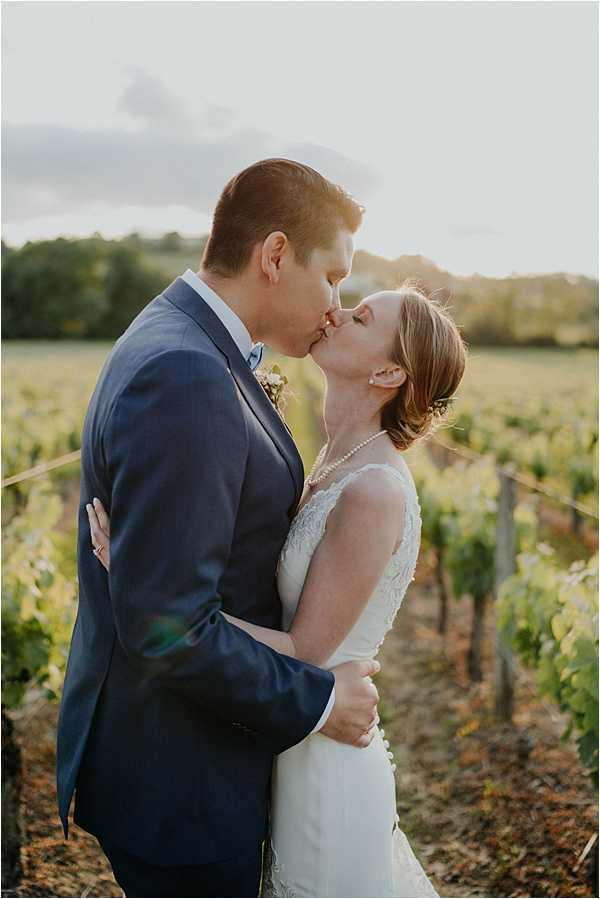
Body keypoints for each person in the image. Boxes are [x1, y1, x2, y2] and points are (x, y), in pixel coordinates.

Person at [56, 159, 381, 899]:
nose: (336, 303)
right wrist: (321, 699)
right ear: (274, 255)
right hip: (183, 784)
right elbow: (170, 626)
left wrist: (141, 574)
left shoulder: (178, 332)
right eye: (331, 275)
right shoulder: (187, 374)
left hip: (177, 761)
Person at [87, 282, 467, 896]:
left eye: (361, 316)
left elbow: (309, 650)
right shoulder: (325, 462)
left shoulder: (374, 491)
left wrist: (145, 578)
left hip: (325, 761)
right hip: (282, 738)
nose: (337, 312)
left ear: (390, 370)